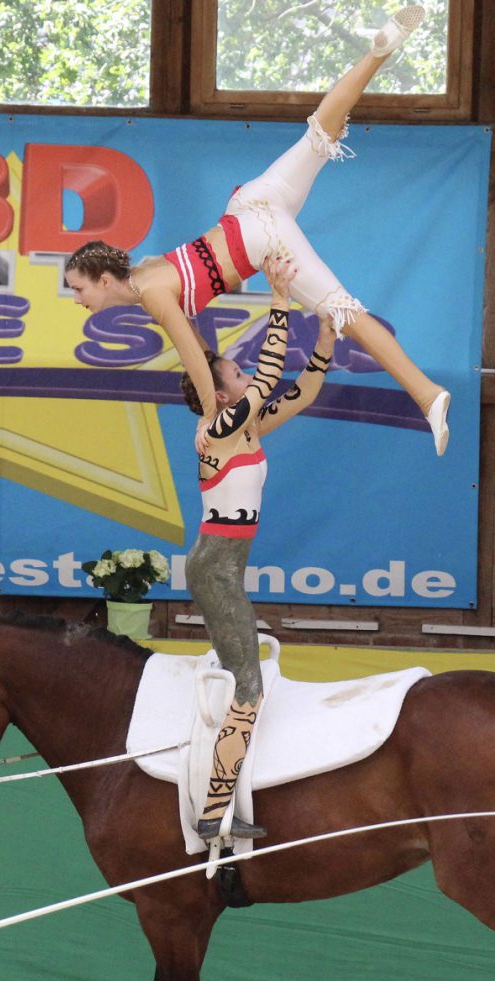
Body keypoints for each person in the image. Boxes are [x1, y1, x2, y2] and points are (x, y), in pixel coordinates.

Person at [65, 5, 451, 458]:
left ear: (104, 280)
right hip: (248, 204)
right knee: (318, 135)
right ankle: (377, 52)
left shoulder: (152, 294)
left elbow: (192, 356)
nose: (76, 298)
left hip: (258, 235)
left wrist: (211, 417)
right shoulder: (146, 276)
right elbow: (203, 351)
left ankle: (428, 396)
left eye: (78, 288)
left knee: (344, 312)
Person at [180, 255, 333, 841]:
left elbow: (302, 391)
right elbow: (269, 380)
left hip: (225, 566)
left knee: (245, 675)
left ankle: (215, 799)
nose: (247, 379)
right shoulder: (217, 431)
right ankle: (215, 811)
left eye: (243, 373)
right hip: (216, 567)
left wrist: (323, 337)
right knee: (250, 685)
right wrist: (278, 301)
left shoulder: (245, 429)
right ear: (219, 395)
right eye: (237, 375)